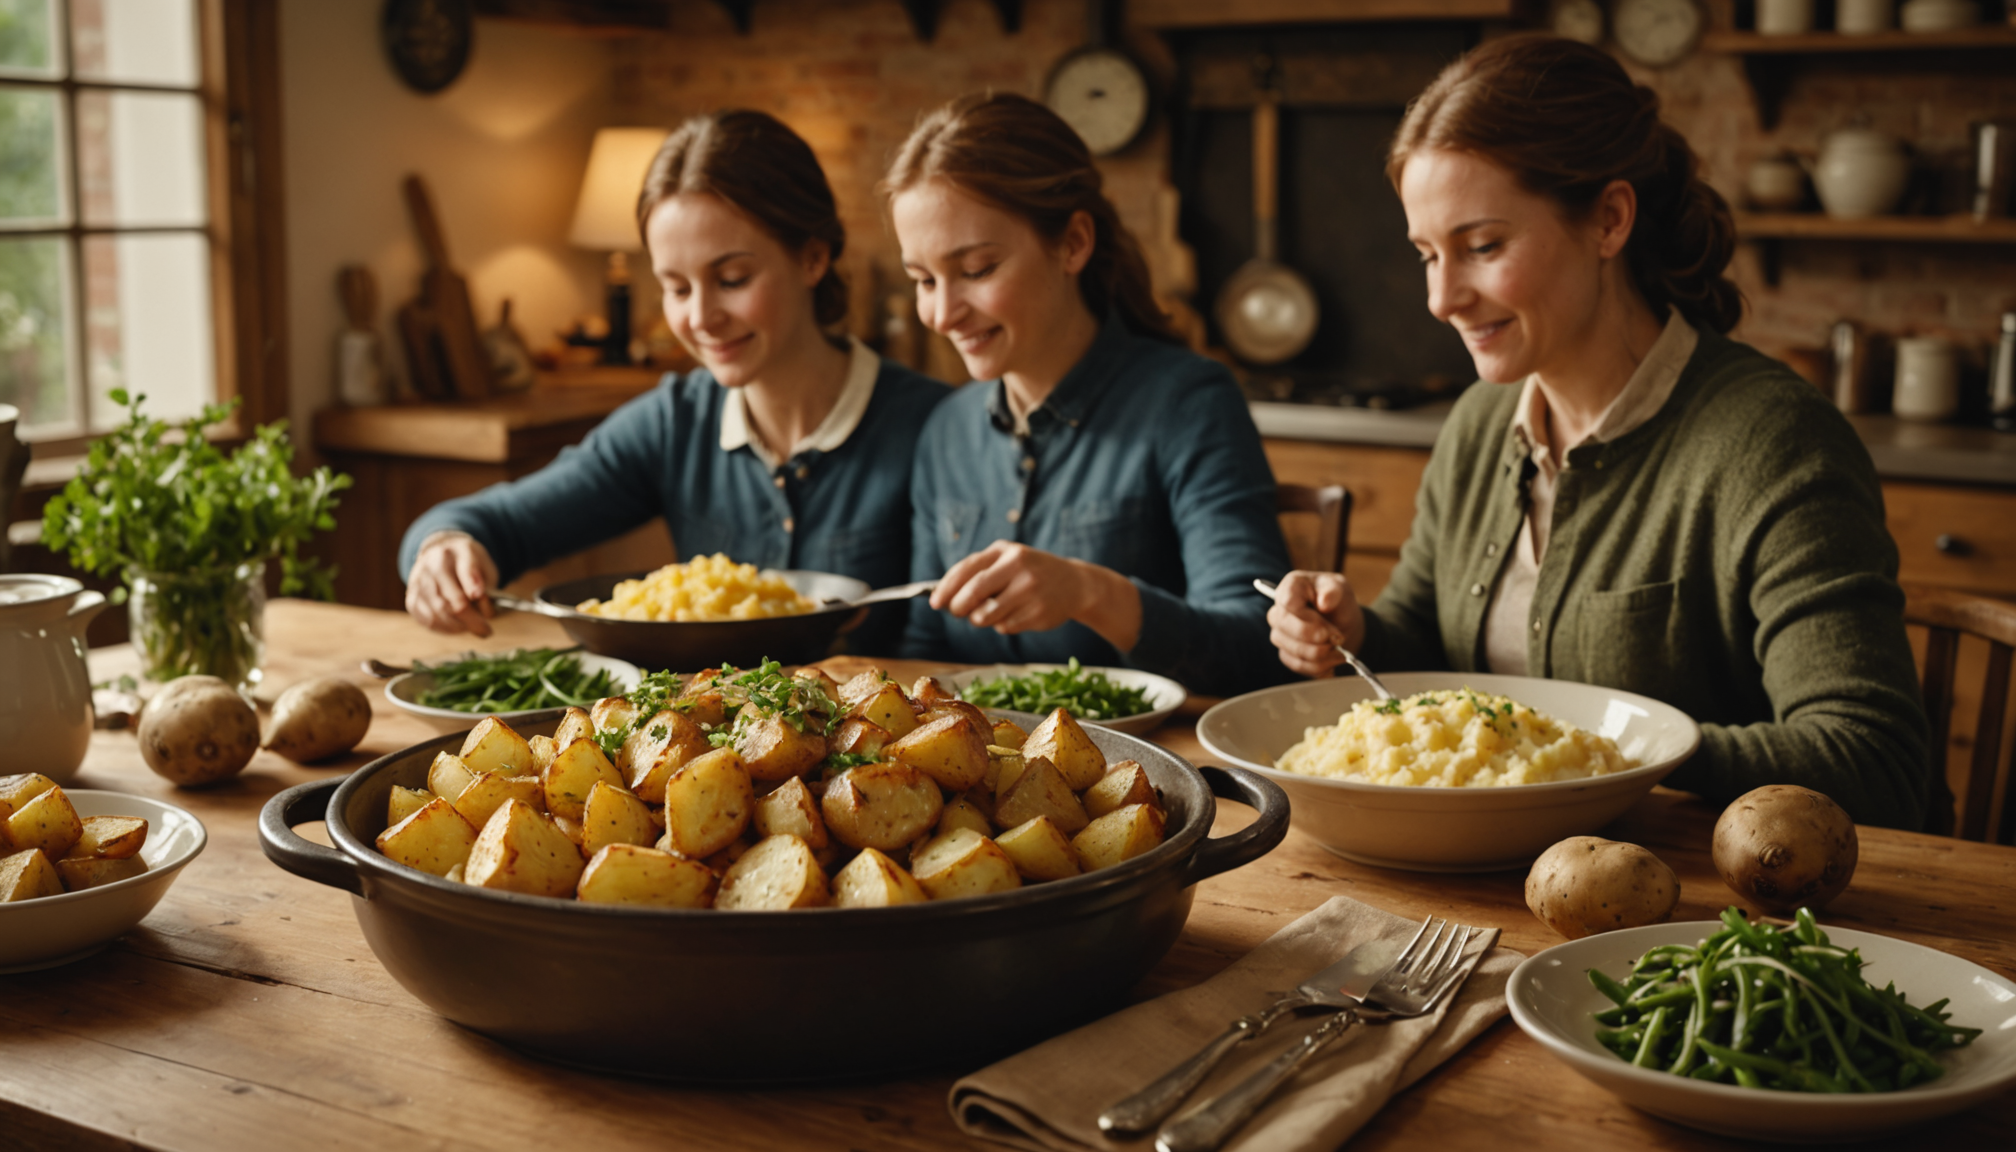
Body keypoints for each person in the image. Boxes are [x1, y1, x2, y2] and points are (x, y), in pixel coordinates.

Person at [1264, 36, 1930, 829]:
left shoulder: (1777, 442)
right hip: (1480, 881)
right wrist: (1352, 630)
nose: (1442, 298)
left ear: (1609, 220)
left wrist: (1584, 761)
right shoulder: (1481, 421)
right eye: (1425, 255)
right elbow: (1423, 631)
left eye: (1482, 247)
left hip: (1711, 913)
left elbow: (1873, 761)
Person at [400, 110, 946, 655]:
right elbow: (495, 521)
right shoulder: (674, 422)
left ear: (813, 257)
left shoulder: (936, 427)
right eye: (676, 288)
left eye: (732, 279)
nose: (701, 318)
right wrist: (444, 550)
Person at [885, 92, 1294, 697]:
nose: (943, 313)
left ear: (1074, 242)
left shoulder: (1189, 402)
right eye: (922, 280)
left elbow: (1260, 650)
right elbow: (923, 653)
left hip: (1154, 777)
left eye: (976, 270)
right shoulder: (946, 428)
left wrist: (1091, 594)